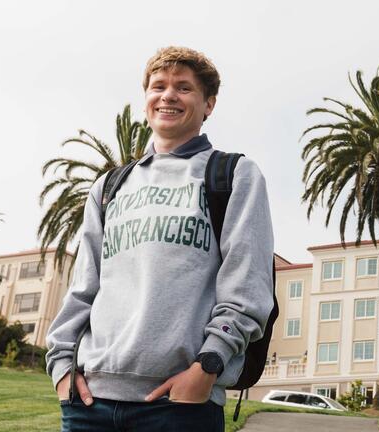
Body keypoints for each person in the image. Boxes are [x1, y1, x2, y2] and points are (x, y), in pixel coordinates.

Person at [45, 46, 274, 432]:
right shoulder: (109, 186)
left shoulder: (234, 175)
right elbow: (84, 288)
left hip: (181, 407)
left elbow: (247, 288)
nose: (168, 95)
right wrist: (61, 369)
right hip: (89, 405)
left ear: (209, 104)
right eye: (158, 86)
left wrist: (207, 367)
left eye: (184, 88)